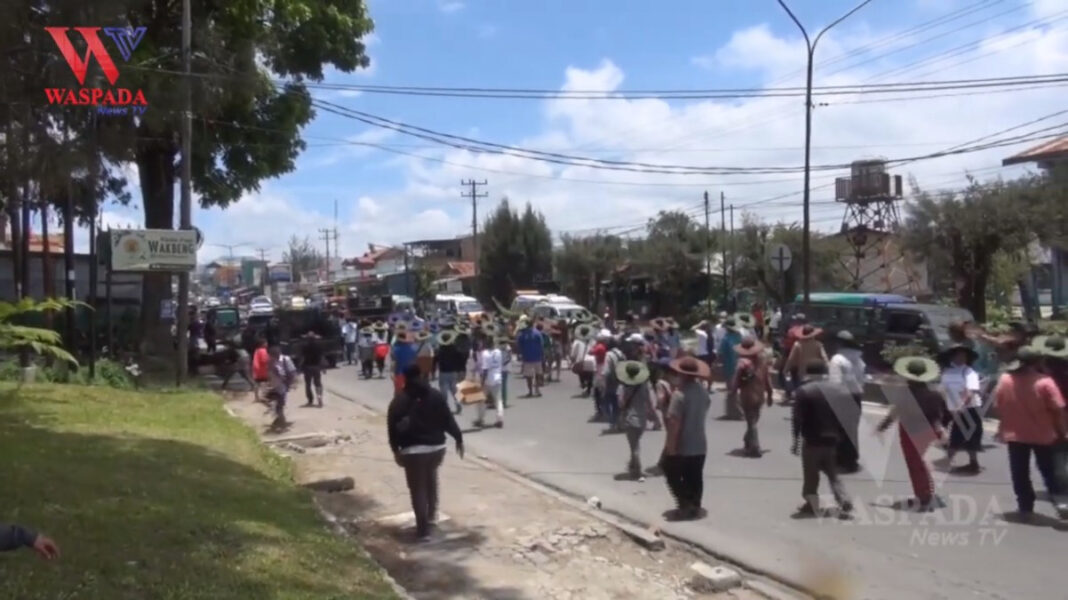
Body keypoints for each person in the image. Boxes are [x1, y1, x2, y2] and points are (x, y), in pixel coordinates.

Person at [387, 364, 465, 542]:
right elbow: (448, 419)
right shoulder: (435, 395)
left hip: (412, 451)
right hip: (437, 448)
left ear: (405, 378)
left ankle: (423, 531)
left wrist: (395, 450)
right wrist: (458, 438)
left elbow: (391, 428)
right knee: (431, 479)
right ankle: (432, 517)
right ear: (421, 375)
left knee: (418, 489)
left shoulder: (399, 400)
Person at [993, 346, 1068, 520]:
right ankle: (1061, 502)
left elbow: (998, 406)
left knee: (1019, 471)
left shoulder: (1005, 380)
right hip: (1044, 435)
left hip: (1015, 434)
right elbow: (1058, 410)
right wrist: (1062, 432)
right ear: (1038, 362)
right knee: (1049, 471)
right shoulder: (1045, 382)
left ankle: (1025, 505)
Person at [878, 356, 948, 512]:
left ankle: (924, 497)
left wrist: (882, 427)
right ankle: (925, 494)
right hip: (929, 431)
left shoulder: (905, 394)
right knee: (924, 464)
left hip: (910, 433)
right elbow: (941, 415)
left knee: (915, 465)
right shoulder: (935, 393)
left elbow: (894, 413)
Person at [791, 361, 853, 517]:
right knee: (833, 473)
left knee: (811, 475)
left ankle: (812, 503)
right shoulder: (836, 391)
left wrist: (796, 442)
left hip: (812, 441)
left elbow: (797, 420)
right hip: (832, 441)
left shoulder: (803, 391)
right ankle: (844, 499)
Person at [660, 356, 712, 520]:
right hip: (700, 443)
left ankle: (684, 503)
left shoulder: (679, 395)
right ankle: (695, 506)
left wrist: (671, 447)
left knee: (669, 470)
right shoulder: (703, 393)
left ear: (680, 374)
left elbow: (674, 423)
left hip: (684, 444)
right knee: (695, 476)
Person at [939, 344, 983, 474]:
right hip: (953, 409)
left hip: (969, 409)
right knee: (955, 435)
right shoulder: (947, 372)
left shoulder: (969, 372)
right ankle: (950, 461)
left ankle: (972, 463)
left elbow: (970, 392)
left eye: (963, 355)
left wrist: (961, 406)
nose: (960, 358)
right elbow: (942, 390)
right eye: (958, 355)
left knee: (970, 436)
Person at [828, 330, 866, 473]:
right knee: (852, 429)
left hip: (841, 397)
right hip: (856, 397)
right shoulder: (860, 360)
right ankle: (852, 460)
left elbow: (835, 383)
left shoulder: (837, 359)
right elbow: (862, 380)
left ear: (839, 343)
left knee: (838, 429)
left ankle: (840, 461)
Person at [733, 337, 773, 457]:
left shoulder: (742, 363)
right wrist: (770, 394)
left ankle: (755, 447)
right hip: (759, 394)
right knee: (754, 419)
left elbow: (736, 379)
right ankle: (748, 440)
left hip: (747, 395)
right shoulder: (763, 360)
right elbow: (767, 378)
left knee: (751, 422)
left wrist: (733, 391)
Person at [617, 360, 654, 481]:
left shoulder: (623, 387)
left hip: (630, 419)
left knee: (634, 446)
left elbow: (621, 404)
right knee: (636, 443)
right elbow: (649, 402)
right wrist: (651, 414)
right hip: (642, 419)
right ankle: (632, 465)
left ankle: (637, 470)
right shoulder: (644, 386)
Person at [474, 337, 505, 428]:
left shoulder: (485, 354)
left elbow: (485, 369)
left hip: (488, 379)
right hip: (497, 377)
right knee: (498, 400)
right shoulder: (498, 352)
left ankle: (480, 419)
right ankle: (500, 419)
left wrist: (482, 382)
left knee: (481, 400)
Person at [717, 318, 744, 420]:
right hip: (741, 365)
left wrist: (716, 364)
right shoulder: (739, 336)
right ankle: (739, 410)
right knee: (739, 389)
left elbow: (721, 353)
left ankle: (735, 412)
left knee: (731, 390)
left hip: (730, 367)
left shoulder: (726, 338)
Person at [435, 330, 466, 414]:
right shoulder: (455, 349)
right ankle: (458, 404)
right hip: (453, 372)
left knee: (443, 392)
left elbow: (436, 361)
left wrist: (433, 371)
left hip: (443, 372)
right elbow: (461, 360)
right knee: (455, 390)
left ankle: (444, 407)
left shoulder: (440, 350)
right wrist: (461, 370)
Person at [267, 345, 296, 428]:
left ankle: (281, 422)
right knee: (277, 404)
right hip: (275, 385)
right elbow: (270, 372)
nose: (270, 357)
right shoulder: (271, 361)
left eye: (271, 355)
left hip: (282, 386)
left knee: (279, 405)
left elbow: (291, 372)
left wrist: (290, 383)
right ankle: (280, 421)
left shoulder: (285, 360)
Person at [516, 319, 544, 398]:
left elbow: (519, 345)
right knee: (537, 374)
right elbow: (541, 345)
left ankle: (532, 390)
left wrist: (520, 354)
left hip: (529, 357)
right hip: (535, 357)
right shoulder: (537, 333)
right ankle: (536, 389)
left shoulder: (524, 334)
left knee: (530, 376)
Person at [601, 338, 625, 429]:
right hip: (621, 380)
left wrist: (603, 383)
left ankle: (613, 422)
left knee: (608, 401)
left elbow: (606, 371)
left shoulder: (609, 355)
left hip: (611, 381)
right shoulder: (621, 354)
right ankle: (619, 421)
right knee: (618, 402)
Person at [571, 324, 596, 397]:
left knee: (581, 375)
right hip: (591, 361)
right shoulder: (593, 341)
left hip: (580, 360)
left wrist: (572, 360)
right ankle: (588, 388)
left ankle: (584, 387)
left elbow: (573, 353)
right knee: (590, 375)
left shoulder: (577, 342)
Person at [300, 331, 324, 408]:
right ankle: (319, 396)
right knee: (318, 383)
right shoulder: (319, 346)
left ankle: (310, 400)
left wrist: (299, 366)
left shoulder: (304, 346)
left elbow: (302, 358)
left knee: (308, 384)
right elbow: (321, 357)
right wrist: (323, 367)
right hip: (316, 367)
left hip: (307, 367)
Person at [251, 337, 270, 404]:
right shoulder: (263, 350)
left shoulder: (257, 350)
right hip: (262, 370)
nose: (267, 344)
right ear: (262, 344)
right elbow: (264, 360)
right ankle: (264, 397)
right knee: (265, 383)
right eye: (266, 343)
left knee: (257, 384)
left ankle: (256, 397)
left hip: (256, 369)